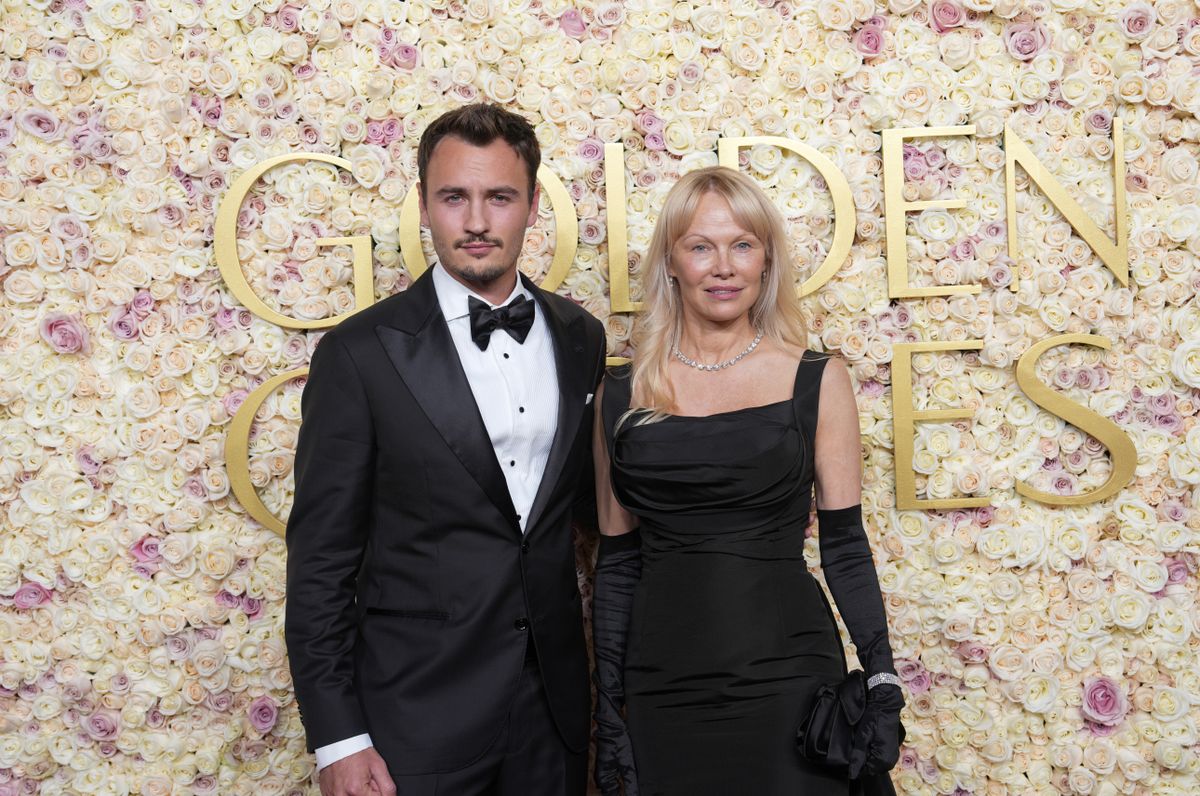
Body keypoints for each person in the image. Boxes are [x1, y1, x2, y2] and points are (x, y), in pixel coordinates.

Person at [285, 103, 606, 796]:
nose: (478, 221)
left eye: (500, 197)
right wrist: (338, 737)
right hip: (415, 716)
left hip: (552, 714)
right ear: (424, 206)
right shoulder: (360, 354)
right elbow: (321, 563)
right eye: (454, 197)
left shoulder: (580, 336)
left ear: (530, 207)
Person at [590, 166, 905, 796]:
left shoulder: (815, 379)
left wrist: (880, 679)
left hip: (786, 677)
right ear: (671, 262)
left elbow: (845, 545)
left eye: (742, 245)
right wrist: (607, 705)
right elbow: (618, 563)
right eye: (701, 246)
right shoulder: (621, 391)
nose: (723, 266)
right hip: (664, 683)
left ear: (766, 260)